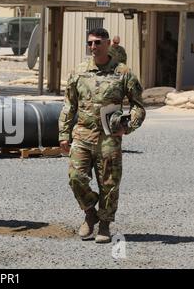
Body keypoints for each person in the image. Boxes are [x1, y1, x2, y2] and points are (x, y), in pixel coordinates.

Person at [58, 28, 146, 243]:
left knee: (109, 183)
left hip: (109, 137)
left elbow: (138, 106)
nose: (93, 47)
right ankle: (90, 212)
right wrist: (63, 134)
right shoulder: (79, 71)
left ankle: (104, 224)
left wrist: (127, 127)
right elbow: (69, 104)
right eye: (90, 43)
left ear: (108, 44)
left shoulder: (122, 72)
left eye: (98, 42)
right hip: (82, 135)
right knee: (75, 177)